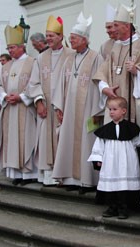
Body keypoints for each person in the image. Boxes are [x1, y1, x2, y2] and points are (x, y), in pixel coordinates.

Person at [52, 12, 104, 193]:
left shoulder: (96, 58)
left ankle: (86, 181)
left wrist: (98, 110)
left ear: (84, 39)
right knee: (68, 141)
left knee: (86, 142)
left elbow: (100, 83)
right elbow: (61, 83)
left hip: (88, 109)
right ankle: (70, 179)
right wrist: (58, 106)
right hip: (70, 109)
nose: (71, 41)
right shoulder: (69, 59)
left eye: (74, 38)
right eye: (71, 38)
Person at [93, 3, 140, 128]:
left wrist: (138, 72)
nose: (114, 29)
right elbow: (103, 71)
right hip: (114, 104)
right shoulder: (115, 46)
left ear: (127, 26)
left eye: (116, 25)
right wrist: (105, 88)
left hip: (132, 106)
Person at [27, 15, 73, 186]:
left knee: (64, 139)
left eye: (52, 35)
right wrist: (39, 102)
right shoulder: (41, 58)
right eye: (47, 35)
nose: (48, 39)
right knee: (46, 141)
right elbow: (33, 82)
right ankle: (49, 177)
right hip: (46, 107)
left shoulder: (71, 55)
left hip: (65, 107)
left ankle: (66, 176)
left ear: (61, 36)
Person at [0, 23, 37, 185]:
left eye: (12, 48)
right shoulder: (6, 65)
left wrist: (22, 97)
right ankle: (16, 174)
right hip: (9, 110)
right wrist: (4, 96)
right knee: (11, 142)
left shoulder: (33, 62)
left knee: (26, 140)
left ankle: (28, 174)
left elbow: (36, 83)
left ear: (21, 47)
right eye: (9, 48)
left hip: (24, 108)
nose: (10, 51)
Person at [88, 96, 140, 219]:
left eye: (114, 109)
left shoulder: (131, 128)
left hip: (127, 163)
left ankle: (123, 209)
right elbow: (99, 146)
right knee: (111, 186)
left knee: (124, 186)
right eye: (110, 109)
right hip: (110, 163)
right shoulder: (105, 130)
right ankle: (112, 208)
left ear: (123, 111)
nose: (111, 112)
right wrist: (98, 159)